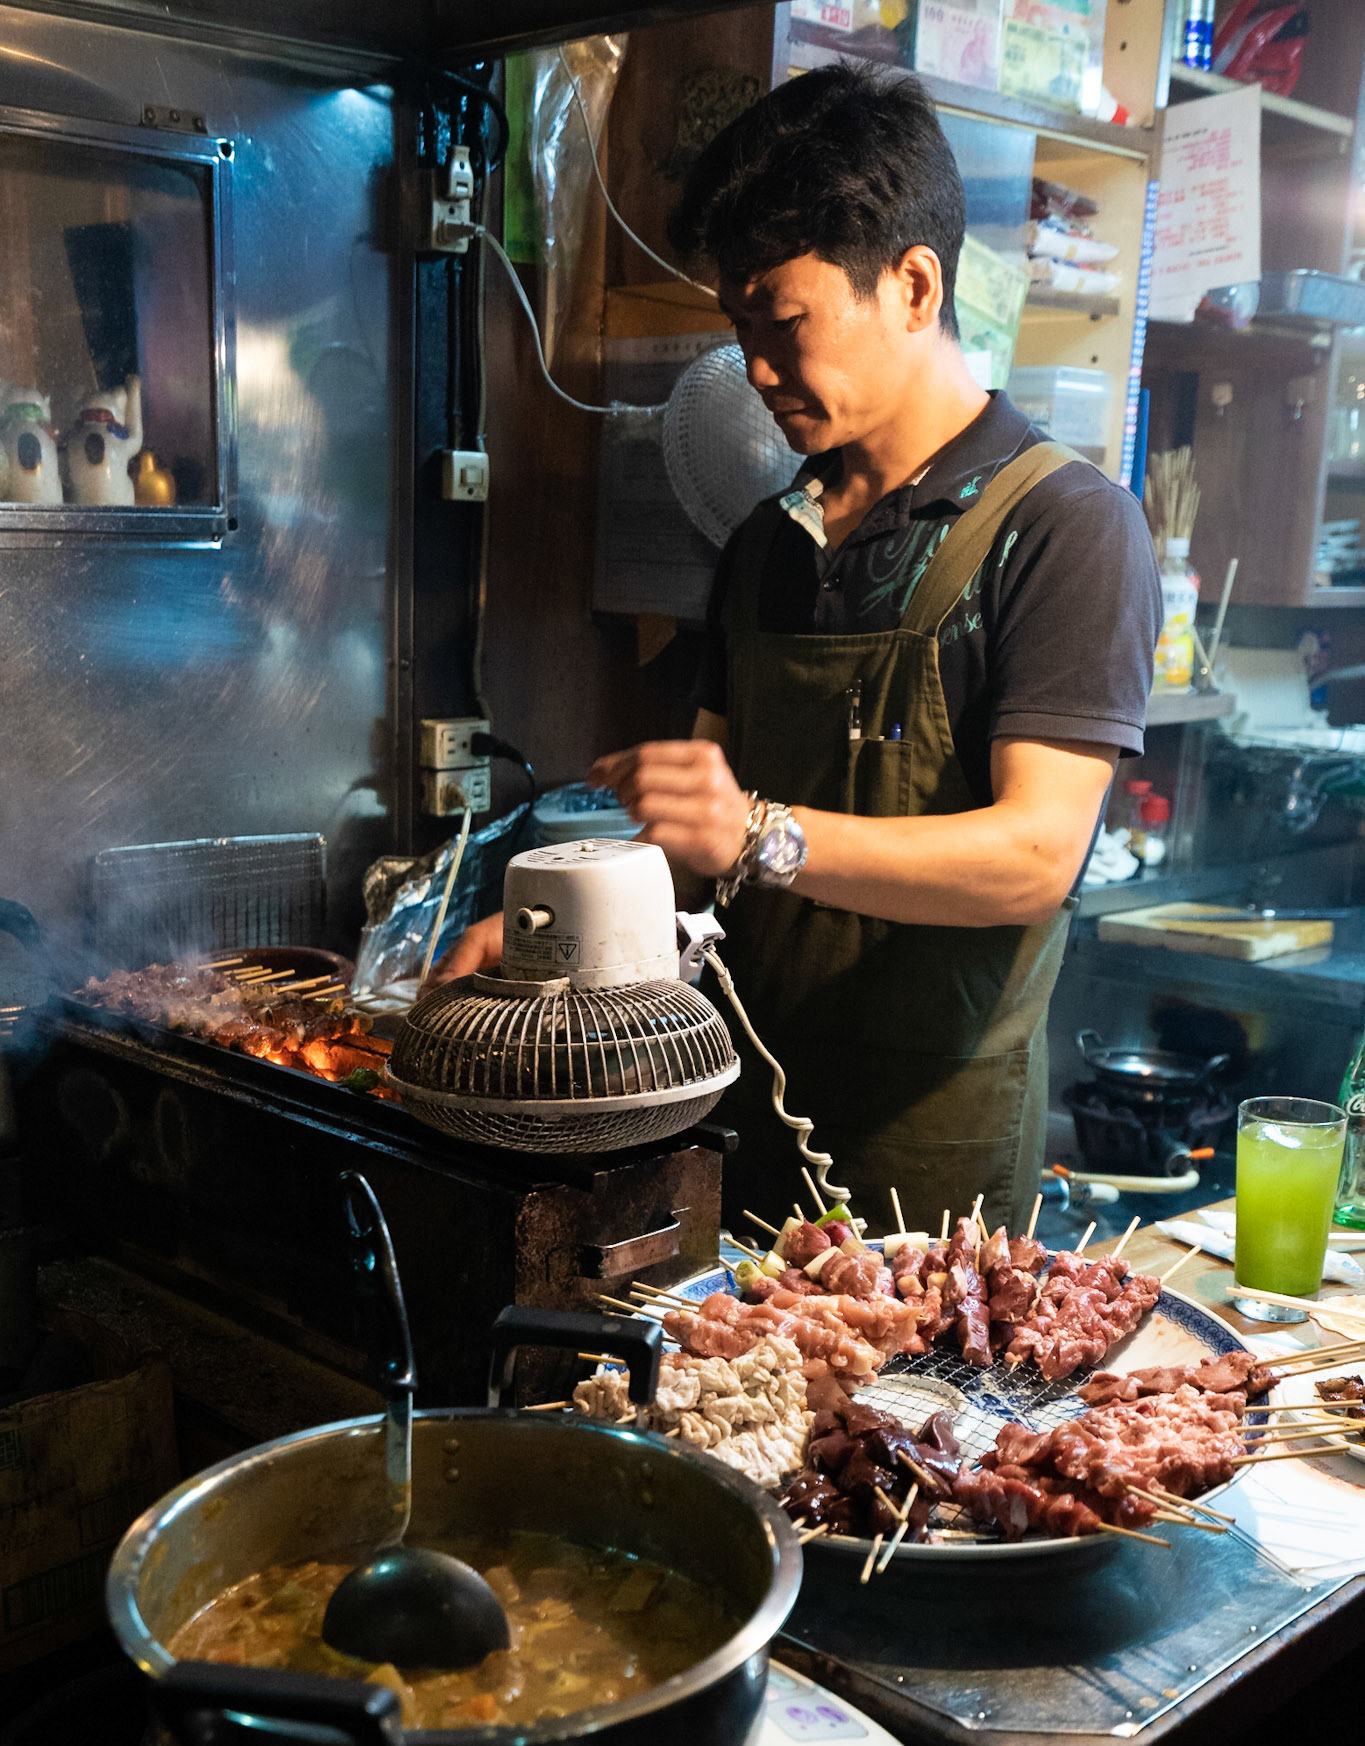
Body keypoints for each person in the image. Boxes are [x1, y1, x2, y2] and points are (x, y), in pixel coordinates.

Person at [433, 62, 1160, 1232]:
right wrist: (562, 943)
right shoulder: (768, 538)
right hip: (725, 1114)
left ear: (914, 285)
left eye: (785, 323)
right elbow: (696, 847)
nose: (757, 371)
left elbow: (1035, 856)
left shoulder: (1064, 527)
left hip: (930, 1160)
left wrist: (766, 835)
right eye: (738, 326)